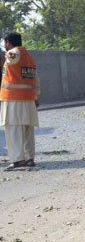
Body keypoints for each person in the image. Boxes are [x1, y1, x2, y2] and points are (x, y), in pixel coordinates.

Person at [1, 32, 39, 170]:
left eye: (4, 43)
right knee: (27, 129)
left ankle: (17, 160)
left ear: (8, 43)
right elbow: (36, 79)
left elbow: (11, 57)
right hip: (28, 99)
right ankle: (29, 158)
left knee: (13, 129)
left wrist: (6, 54)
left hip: (14, 99)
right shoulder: (29, 57)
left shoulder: (13, 53)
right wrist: (36, 96)